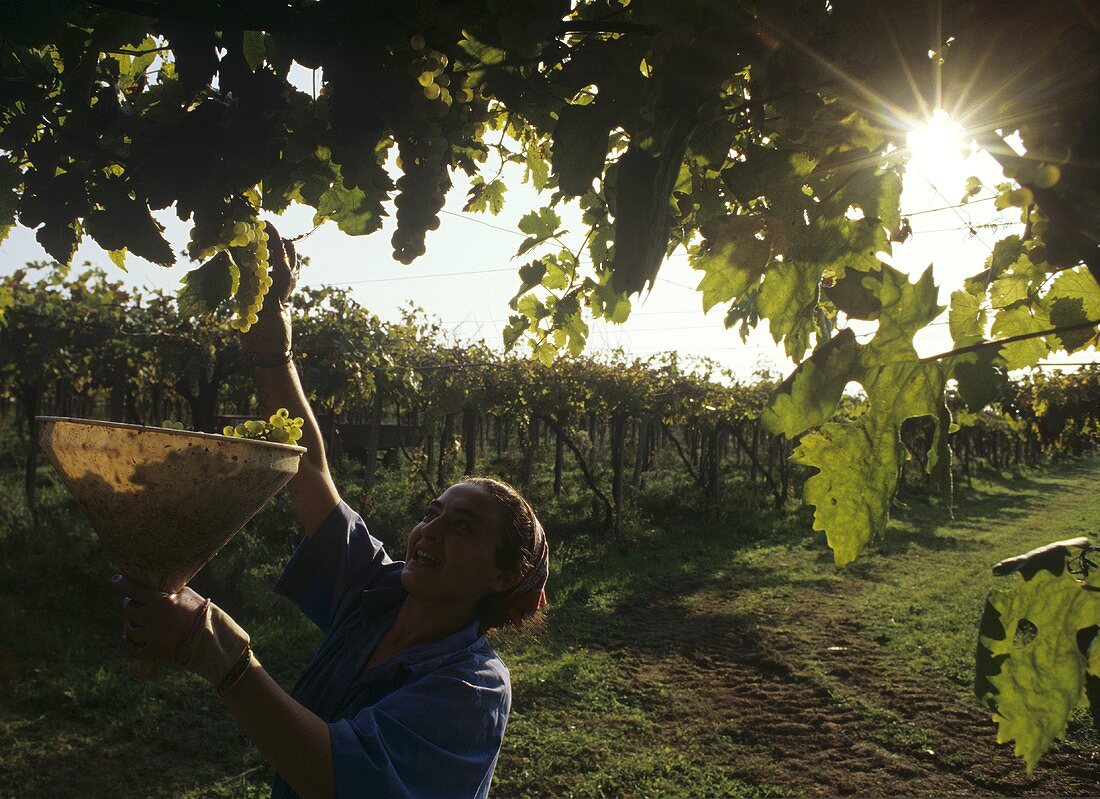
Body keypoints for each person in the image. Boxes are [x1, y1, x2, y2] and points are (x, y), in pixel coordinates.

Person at [111, 226, 549, 798]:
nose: (429, 531)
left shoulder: (472, 688)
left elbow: (338, 779)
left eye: (462, 527)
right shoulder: (375, 592)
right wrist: (274, 345)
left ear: (502, 574)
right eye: (432, 512)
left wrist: (211, 645)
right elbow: (311, 469)